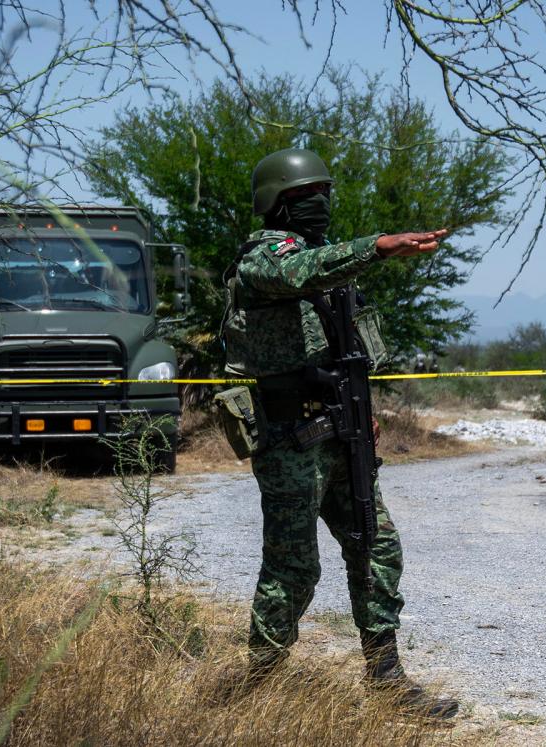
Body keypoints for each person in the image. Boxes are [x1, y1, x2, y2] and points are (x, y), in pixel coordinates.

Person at [220, 148, 458, 719]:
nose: (319, 204)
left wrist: (364, 413)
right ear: (277, 203)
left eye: (324, 192)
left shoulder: (330, 269)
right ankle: (257, 687)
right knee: (294, 566)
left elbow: (348, 354)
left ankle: (387, 680)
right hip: (289, 438)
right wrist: (379, 245)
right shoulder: (266, 256)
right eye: (306, 196)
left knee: (377, 547)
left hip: (341, 434)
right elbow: (294, 272)